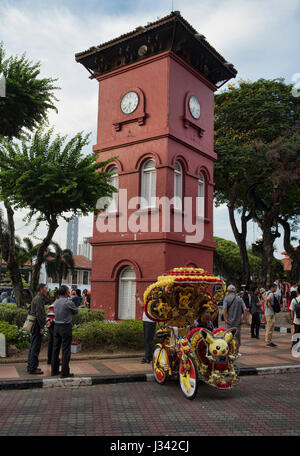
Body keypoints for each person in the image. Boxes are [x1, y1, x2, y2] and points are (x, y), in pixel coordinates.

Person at [51, 285, 79, 378]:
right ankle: (64, 372)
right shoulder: (68, 302)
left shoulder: (56, 302)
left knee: (55, 349)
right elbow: (76, 312)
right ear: (66, 292)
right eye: (68, 290)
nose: (70, 291)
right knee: (66, 350)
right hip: (65, 327)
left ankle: (54, 370)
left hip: (56, 327)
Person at [27, 284, 48, 374]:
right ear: (41, 289)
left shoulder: (36, 298)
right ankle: (32, 368)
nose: (46, 290)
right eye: (45, 289)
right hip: (36, 326)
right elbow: (39, 314)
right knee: (35, 347)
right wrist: (41, 327)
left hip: (35, 325)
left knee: (33, 346)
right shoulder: (39, 299)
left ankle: (32, 366)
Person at [222, 284, 247, 353]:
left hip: (229, 323)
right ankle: (236, 352)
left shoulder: (226, 299)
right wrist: (244, 319)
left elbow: (224, 309)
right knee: (237, 339)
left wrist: (225, 319)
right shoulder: (240, 299)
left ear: (228, 291)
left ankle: (229, 352)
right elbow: (245, 309)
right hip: (238, 323)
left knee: (229, 339)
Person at [136, 292, 156, 364]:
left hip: (150, 322)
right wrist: (138, 298)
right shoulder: (149, 301)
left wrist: (138, 299)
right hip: (146, 321)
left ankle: (148, 358)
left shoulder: (153, 302)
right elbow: (143, 307)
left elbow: (142, 306)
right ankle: (149, 357)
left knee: (148, 340)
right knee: (147, 340)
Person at [265, 283, 278, 348]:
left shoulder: (267, 293)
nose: (276, 289)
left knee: (270, 327)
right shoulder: (271, 294)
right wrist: (270, 304)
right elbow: (268, 299)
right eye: (275, 287)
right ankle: (268, 342)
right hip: (270, 313)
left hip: (268, 313)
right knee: (270, 327)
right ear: (272, 287)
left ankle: (269, 341)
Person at [46, 299, 55, 365]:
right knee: (54, 343)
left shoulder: (52, 305)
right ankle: (53, 360)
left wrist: (48, 321)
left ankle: (50, 359)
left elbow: (49, 316)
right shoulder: (56, 304)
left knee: (51, 342)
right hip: (54, 325)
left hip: (50, 324)